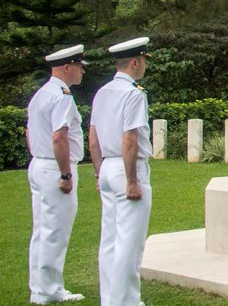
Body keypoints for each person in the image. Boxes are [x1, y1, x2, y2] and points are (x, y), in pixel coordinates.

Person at [89, 37, 153, 306]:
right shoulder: (134, 93)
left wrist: (97, 172)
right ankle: (126, 301)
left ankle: (110, 299)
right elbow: (129, 138)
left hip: (106, 166)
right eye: (145, 61)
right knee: (129, 241)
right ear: (135, 62)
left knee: (110, 239)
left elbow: (92, 138)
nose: (145, 66)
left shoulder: (101, 92)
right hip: (128, 167)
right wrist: (131, 181)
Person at [27, 44, 88, 305]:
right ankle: (50, 291)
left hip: (39, 165)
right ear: (67, 67)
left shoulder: (41, 94)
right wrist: (65, 174)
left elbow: (30, 132)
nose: (82, 72)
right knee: (55, 232)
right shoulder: (62, 96)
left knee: (41, 231)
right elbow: (59, 136)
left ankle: (39, 289)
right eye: (79, 67)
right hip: (55, 168)